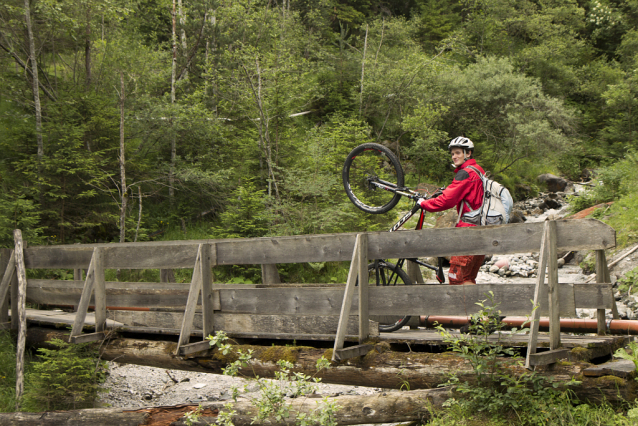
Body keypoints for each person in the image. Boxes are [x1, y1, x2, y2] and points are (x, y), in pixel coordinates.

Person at [416, 136, 485, 285]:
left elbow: (447, 201)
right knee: (468, 278)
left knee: (456, 278)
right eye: (452, 153)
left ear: (468, 153)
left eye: (458, 153)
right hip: (483, 231)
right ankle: (476, 309)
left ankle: (460, 309)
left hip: (468, 232)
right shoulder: (478, 170)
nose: (454, 156)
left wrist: (424, 204)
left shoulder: (465, 173)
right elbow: (468, 194)